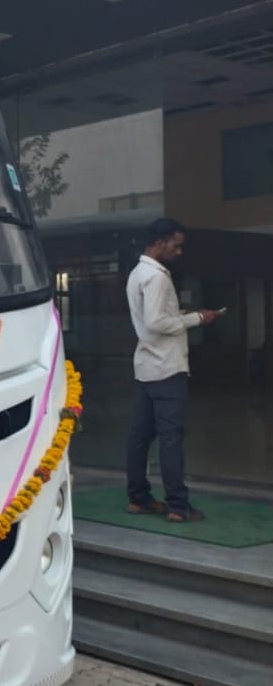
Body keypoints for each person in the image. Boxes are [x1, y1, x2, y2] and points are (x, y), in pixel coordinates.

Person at [124, 218, 223, 523]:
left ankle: (138, 498)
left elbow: (154, 318)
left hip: (146, 368)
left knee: (140, 437)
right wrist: (197, 319)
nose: (179, 252)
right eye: (176, 245)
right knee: (170, 438)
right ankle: (178, 506)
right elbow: (156, 323)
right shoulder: (157, 277)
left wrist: (182, 315)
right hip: (167, 368)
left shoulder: (137, 273)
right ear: (160, 242)